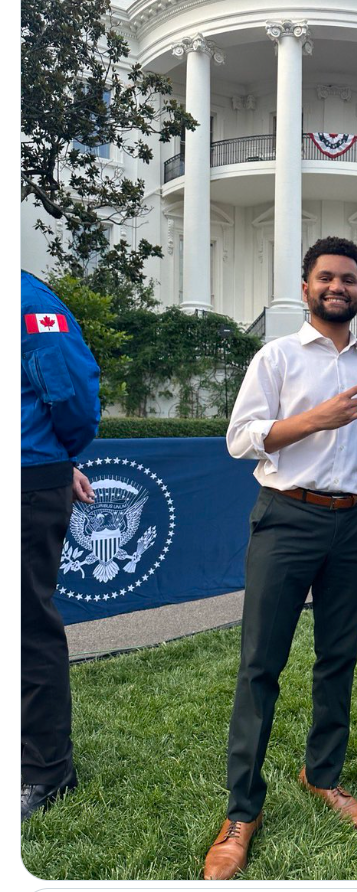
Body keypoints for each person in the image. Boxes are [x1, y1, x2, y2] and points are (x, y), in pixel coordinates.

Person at [204, 237, 357, 880]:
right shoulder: (277, 356)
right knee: (261, 664)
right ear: (307, 285)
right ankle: (241, 810)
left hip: (355, 525)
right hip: (287, 518)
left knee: (338, 659)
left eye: (349, 278)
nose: (338, 287)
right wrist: (314, 420)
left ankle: (323, 774)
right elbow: (240, 439)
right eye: (326, 277)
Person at [21, 270, 100, 822]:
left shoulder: (27, 299)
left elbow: (71, 395)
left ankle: (47, 771)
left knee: (26, 629)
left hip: (25, 478)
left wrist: (54, 457)